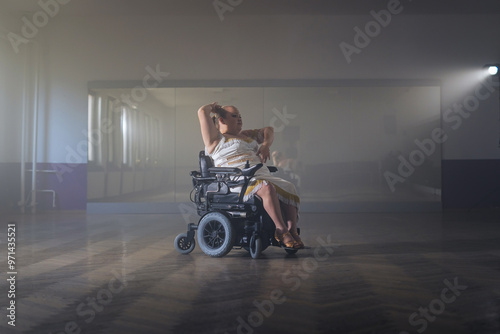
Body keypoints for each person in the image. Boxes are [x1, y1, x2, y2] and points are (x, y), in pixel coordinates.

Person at [197, 102, 304, 249]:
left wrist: (265, 145)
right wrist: (214, 108)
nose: (240, 118)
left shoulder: (246, 135)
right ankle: (281, 231)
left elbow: (269, 130)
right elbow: (202, 111)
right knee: (265, 187)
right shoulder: (215, 139)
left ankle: (292, 230)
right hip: (235, 179)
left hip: (259, 173)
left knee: (289, 186)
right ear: (221, 120)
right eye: (235, 116)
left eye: (240, 116)